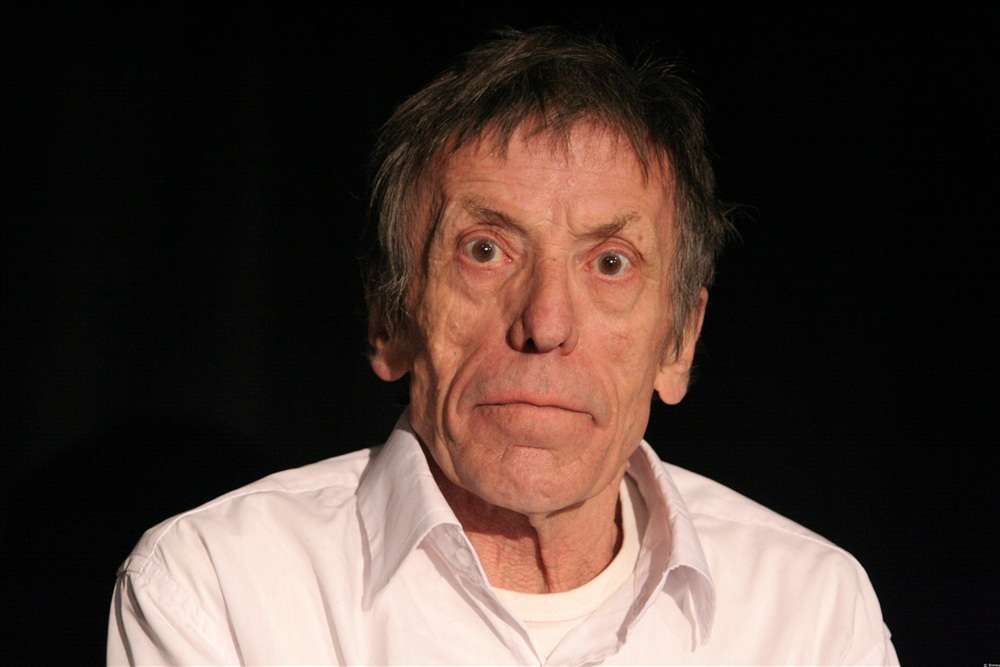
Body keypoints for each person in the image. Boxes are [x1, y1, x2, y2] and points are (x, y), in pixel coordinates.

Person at [108, 28, 899, 665]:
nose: (545, 323)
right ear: (389, 316)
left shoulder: (811, 613)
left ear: (680, 341)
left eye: (610, 263)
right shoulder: (216, 587)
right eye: (484, 250)